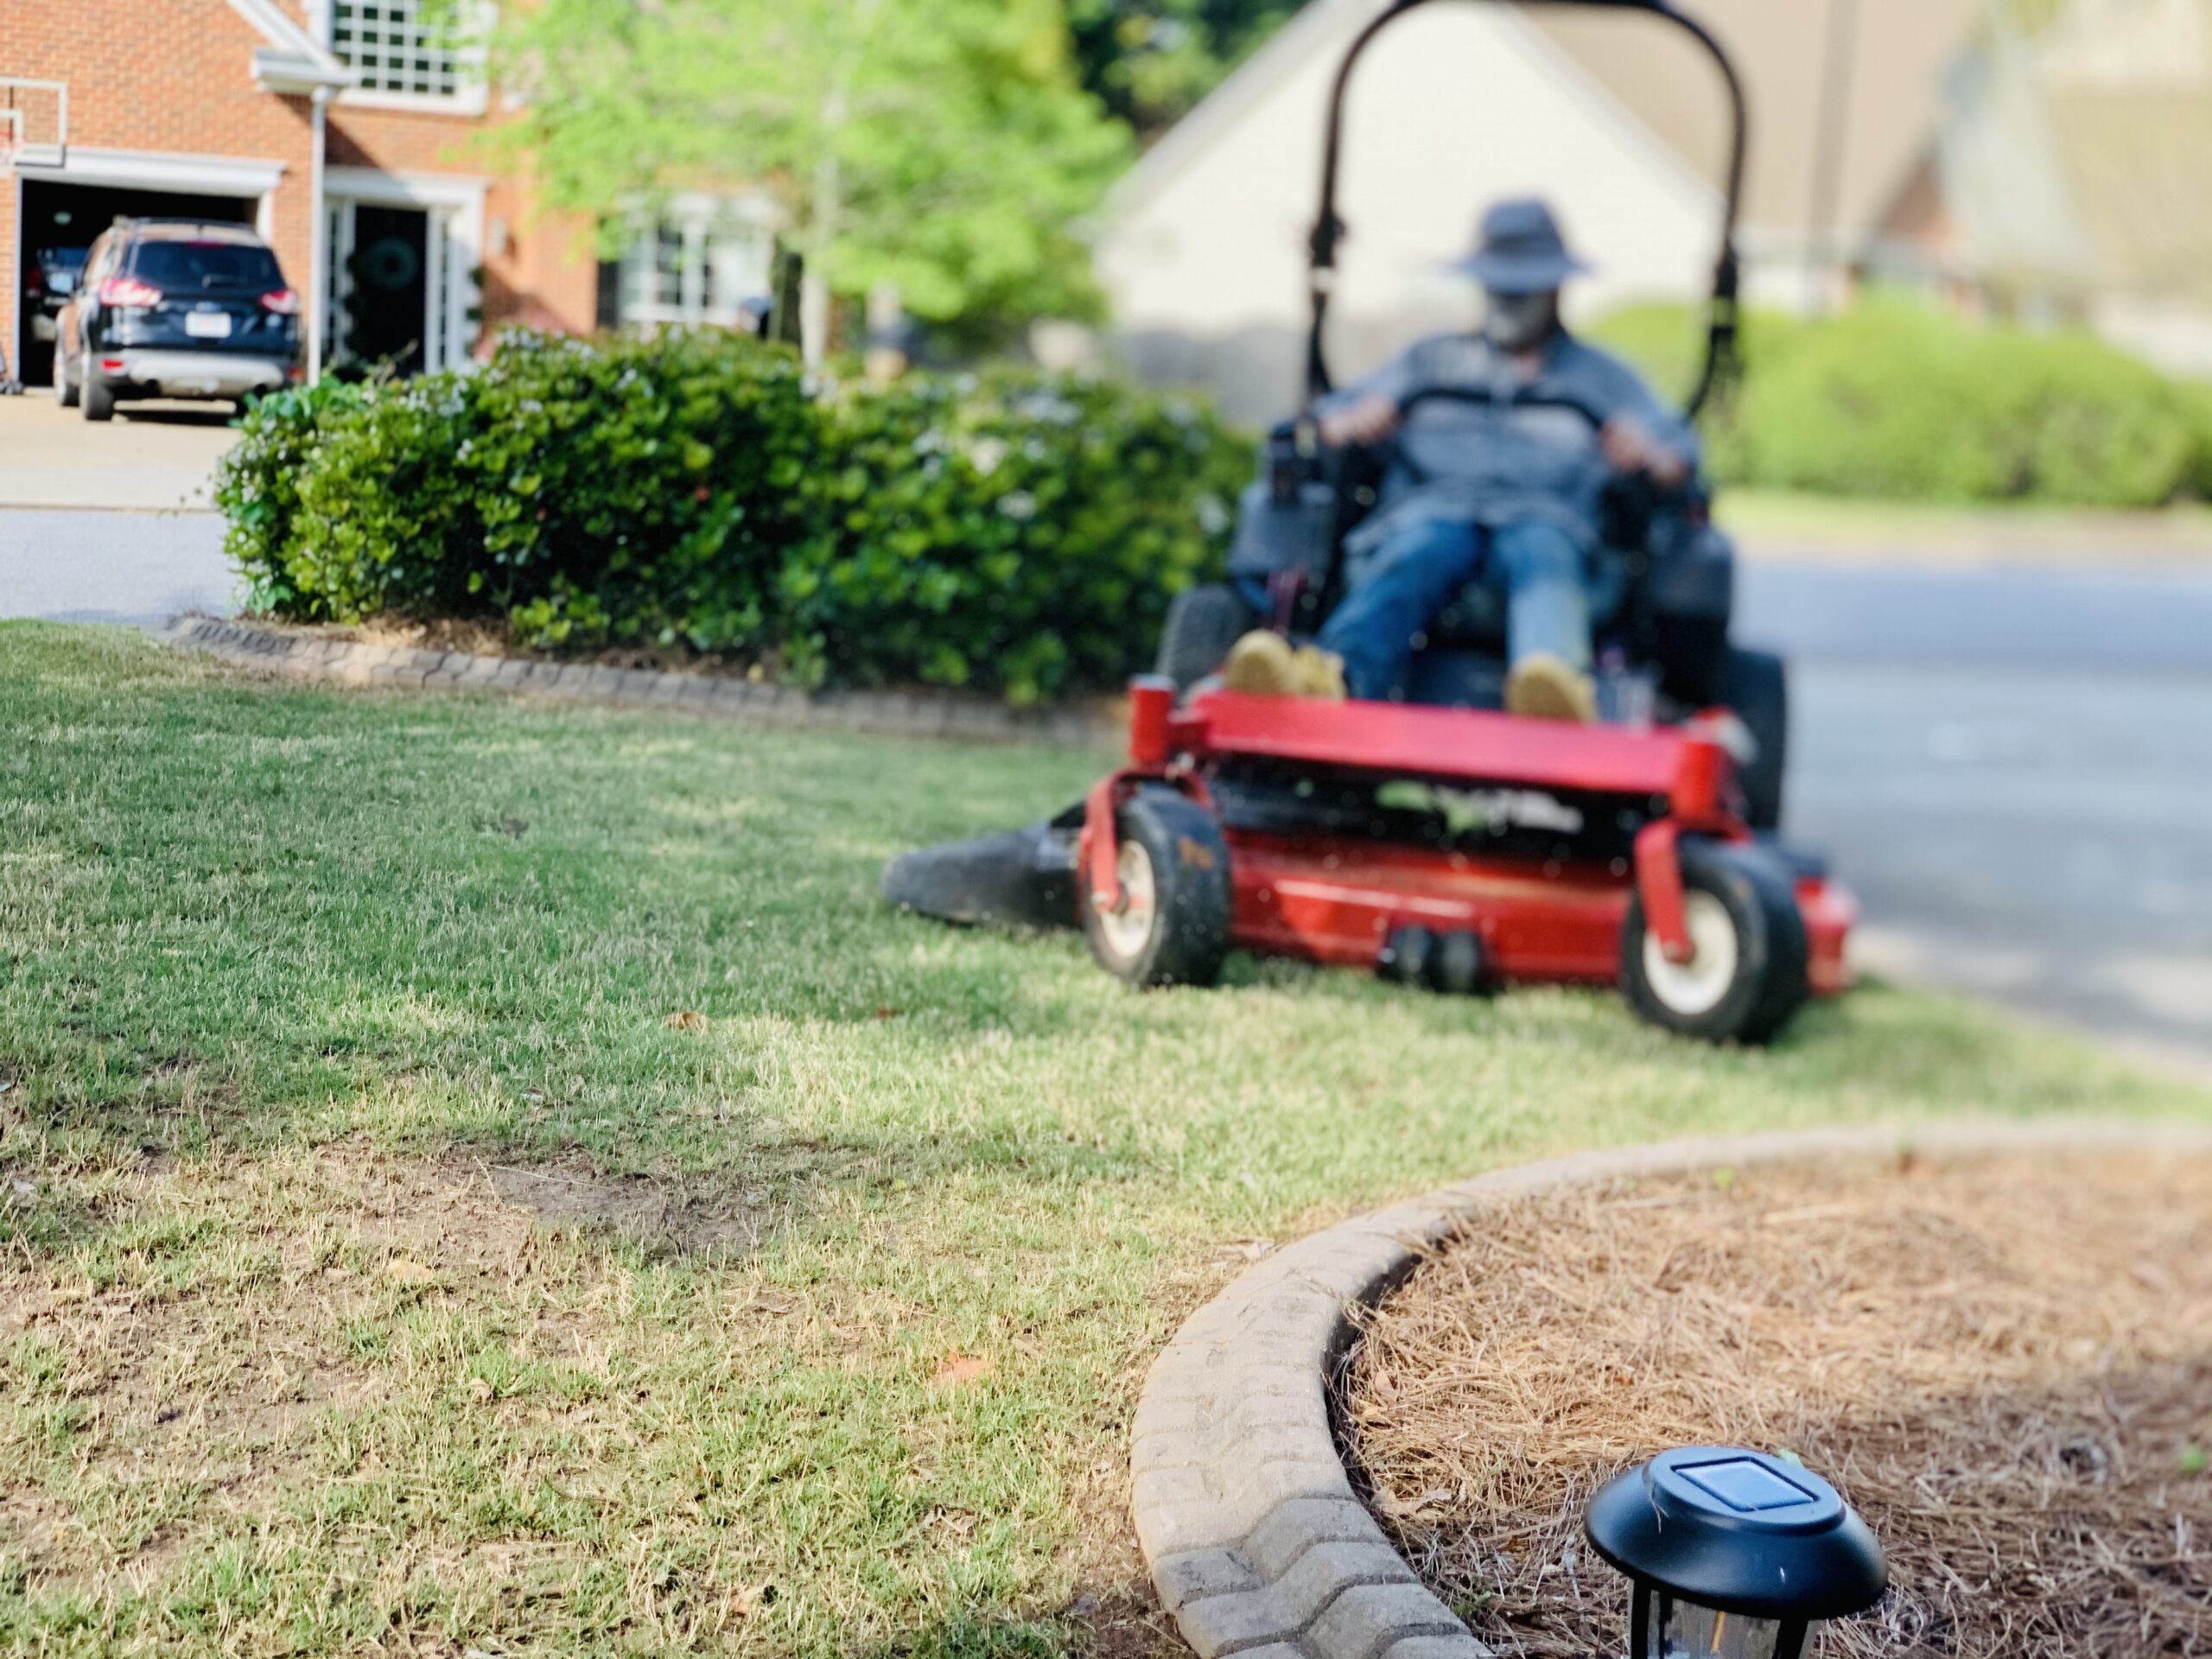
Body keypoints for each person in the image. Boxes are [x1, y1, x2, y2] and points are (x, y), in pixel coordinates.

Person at [1224, 197, 1696, 721]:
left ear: (1554, 288)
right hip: (1434, 511)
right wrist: (1351, 422)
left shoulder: (1602, 376)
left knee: (1541, 548)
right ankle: (1335, 674)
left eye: (1522, 286)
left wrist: (1651, 454)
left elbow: (1678, 453)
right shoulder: (1430, 360)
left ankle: (1553, 686)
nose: (1509, 297)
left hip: (1548, 520)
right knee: (1422, 545)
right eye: (1500, 284)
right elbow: (1329, 420)